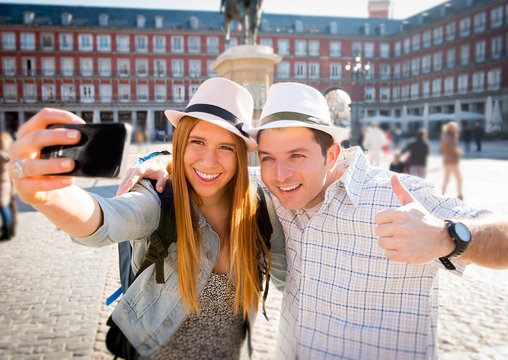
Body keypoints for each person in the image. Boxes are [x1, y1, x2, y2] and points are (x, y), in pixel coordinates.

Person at [119, 82, 508, 360]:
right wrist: (159, 162)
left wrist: (447, 237)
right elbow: (211, 171)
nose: (281, 173)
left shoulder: (395, 195)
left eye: (298, 155)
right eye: (268, 157)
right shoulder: (272, 194)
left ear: (332, 152)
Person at [7, 77, 286, 359]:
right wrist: (49, 196)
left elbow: (290, 279)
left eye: (226, 147)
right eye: (197, 141)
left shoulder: (259, 206)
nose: (209, 161)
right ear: (180, 143)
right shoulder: (159, 198)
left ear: (240, 155)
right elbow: (107, 219)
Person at [440, 121, 464, 200]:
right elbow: (452, 149)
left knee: (446, 179)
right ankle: (460, 194)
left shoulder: (445, 136)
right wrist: (458, 152)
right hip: (452, 161)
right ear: (451, 129)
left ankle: (442, 194)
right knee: (459, 178)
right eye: (455, 128)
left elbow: (441, 149)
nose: (456, 130)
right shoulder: (450, 138)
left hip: (446, 161)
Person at [0, 131, 16, 240]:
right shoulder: (8, 154)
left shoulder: (2, 155)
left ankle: (7, 230)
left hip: (2, 183)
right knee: (6, 206)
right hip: (6, 182)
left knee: (3, 207)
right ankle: (9, 229)